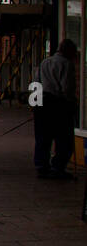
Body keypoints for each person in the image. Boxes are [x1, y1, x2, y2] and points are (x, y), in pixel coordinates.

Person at [34, 38, 79, 179]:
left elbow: (36, 82)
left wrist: (35, 104)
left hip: (43, 103)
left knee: (43, 137)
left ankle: (42, 166)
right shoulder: (67, 64)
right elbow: (67, 88)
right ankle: (58, 167)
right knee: (63, 139)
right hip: (59, 104)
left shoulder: (45, 62)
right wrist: (73, 103)